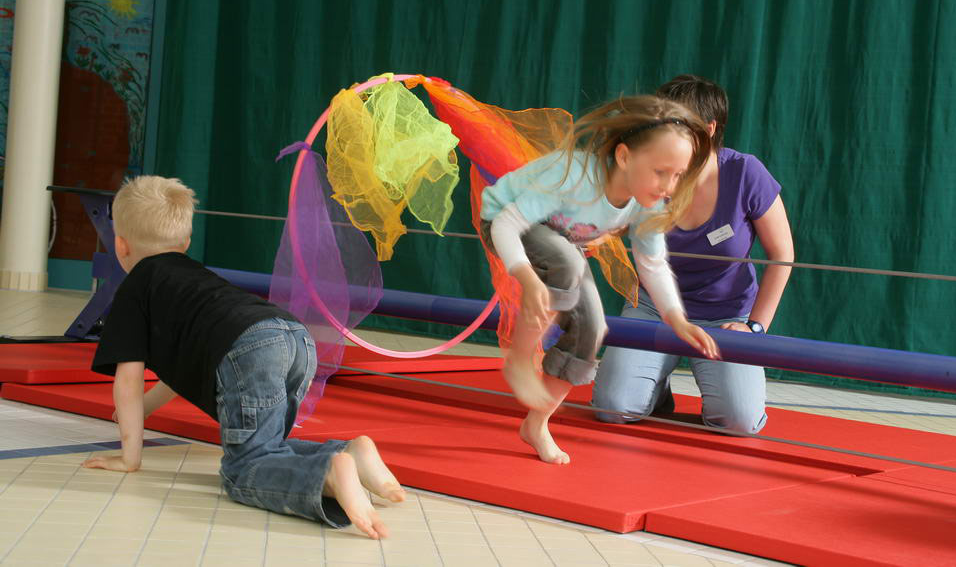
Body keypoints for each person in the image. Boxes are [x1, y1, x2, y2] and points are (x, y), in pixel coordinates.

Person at [84, 176, 403, 539]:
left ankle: (327, 475)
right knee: (267, 445)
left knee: (243, 469)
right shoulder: (192, 276)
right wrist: (145, 408)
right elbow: (179, 366)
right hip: (293, 336)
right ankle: (351, 454)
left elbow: (127, 378)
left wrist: (130, 457)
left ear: (121, 245)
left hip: (250, 349)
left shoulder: (135, 288)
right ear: (185, 242)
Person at [479, 95, 721, 464]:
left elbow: (653, 264)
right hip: (506, 221)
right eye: (660, 171)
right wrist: (528, 279)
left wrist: (677, 319)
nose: (669, 186)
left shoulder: (647, 203)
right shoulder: (577, 176)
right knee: (565, 262)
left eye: (677, 175)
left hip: (562, 243)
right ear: (624, 157)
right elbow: (506, 224)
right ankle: (521, 359)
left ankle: (537, 424)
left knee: (592, 328)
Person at [593, 74, 794, 434]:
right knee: (613, 407)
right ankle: (655, 387)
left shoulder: (745, 172)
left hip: (725, 314)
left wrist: (754, 327)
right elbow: (608, 221)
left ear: (710, 129)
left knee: (739, 423)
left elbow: (782, 255)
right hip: (654, 308)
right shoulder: (649, 170)